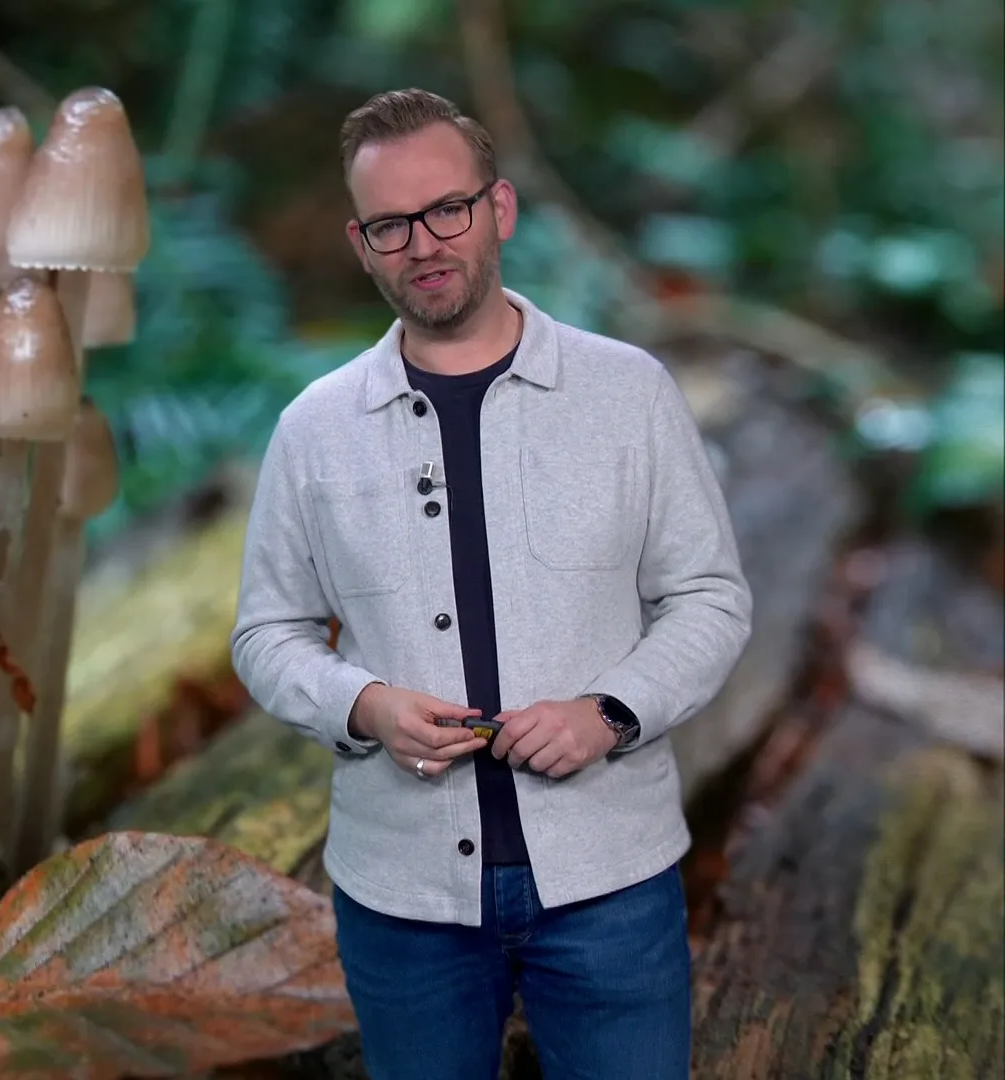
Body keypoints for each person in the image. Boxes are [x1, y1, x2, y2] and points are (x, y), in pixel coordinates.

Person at [229, 88, 752, 1080]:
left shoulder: (628, 392)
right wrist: (365, 703)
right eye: (390, 224)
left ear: (499, 209)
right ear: (361, 241)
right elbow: (269, 632)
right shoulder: (316, 426)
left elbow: (711, 597)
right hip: (403, 896)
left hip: (612, 881)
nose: (422, 242)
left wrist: (612, 710)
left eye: (447, 210)